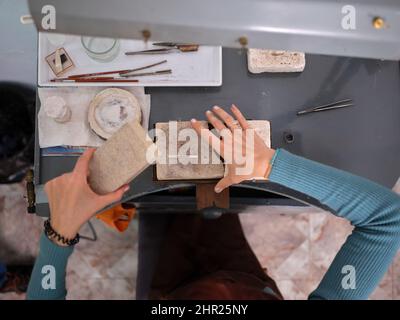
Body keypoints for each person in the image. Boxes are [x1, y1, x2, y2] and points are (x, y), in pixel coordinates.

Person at [27, 105, 400, 300]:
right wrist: (267, 165)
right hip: (247, 283)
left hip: (172, 291)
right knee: (212, 216)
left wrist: (58, 236)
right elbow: (386, 221)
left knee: (162, 222)